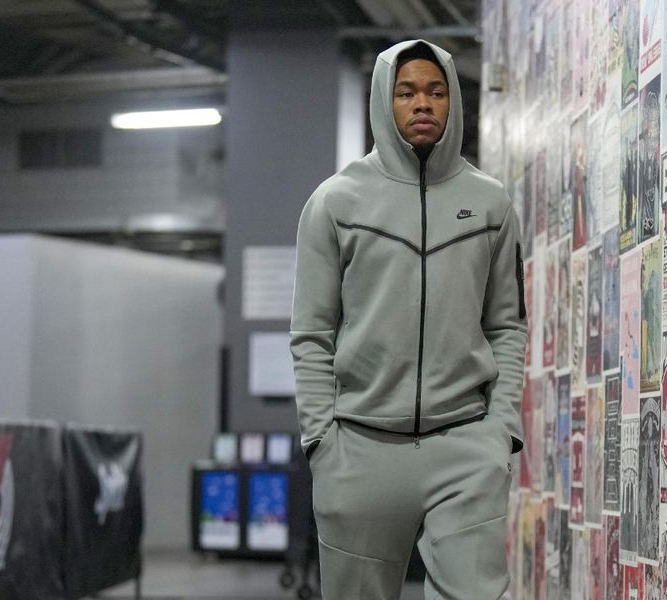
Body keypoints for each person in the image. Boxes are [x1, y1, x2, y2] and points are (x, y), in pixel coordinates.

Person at [290, 39, 528, 599]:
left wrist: (501, 432)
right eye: (406, 92)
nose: (422, 103)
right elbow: (311, 334)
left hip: (466, 445)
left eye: (435, 91)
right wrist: (323, 442)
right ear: (384, 101)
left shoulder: (490, 204)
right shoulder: (335, 202)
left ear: (452, 103)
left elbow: (507, 326)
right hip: (360, 451)